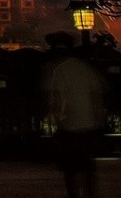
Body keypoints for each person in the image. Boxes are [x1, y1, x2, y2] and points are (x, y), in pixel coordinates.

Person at [43, 33, 107, 198]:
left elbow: (56, 99)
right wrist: (98, 119)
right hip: (88, 125)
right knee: (87, 168)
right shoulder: (86, 69)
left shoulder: (60, 70)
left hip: (69, 126)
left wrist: (57, 120)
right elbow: (96, 96)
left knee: (71, 170)